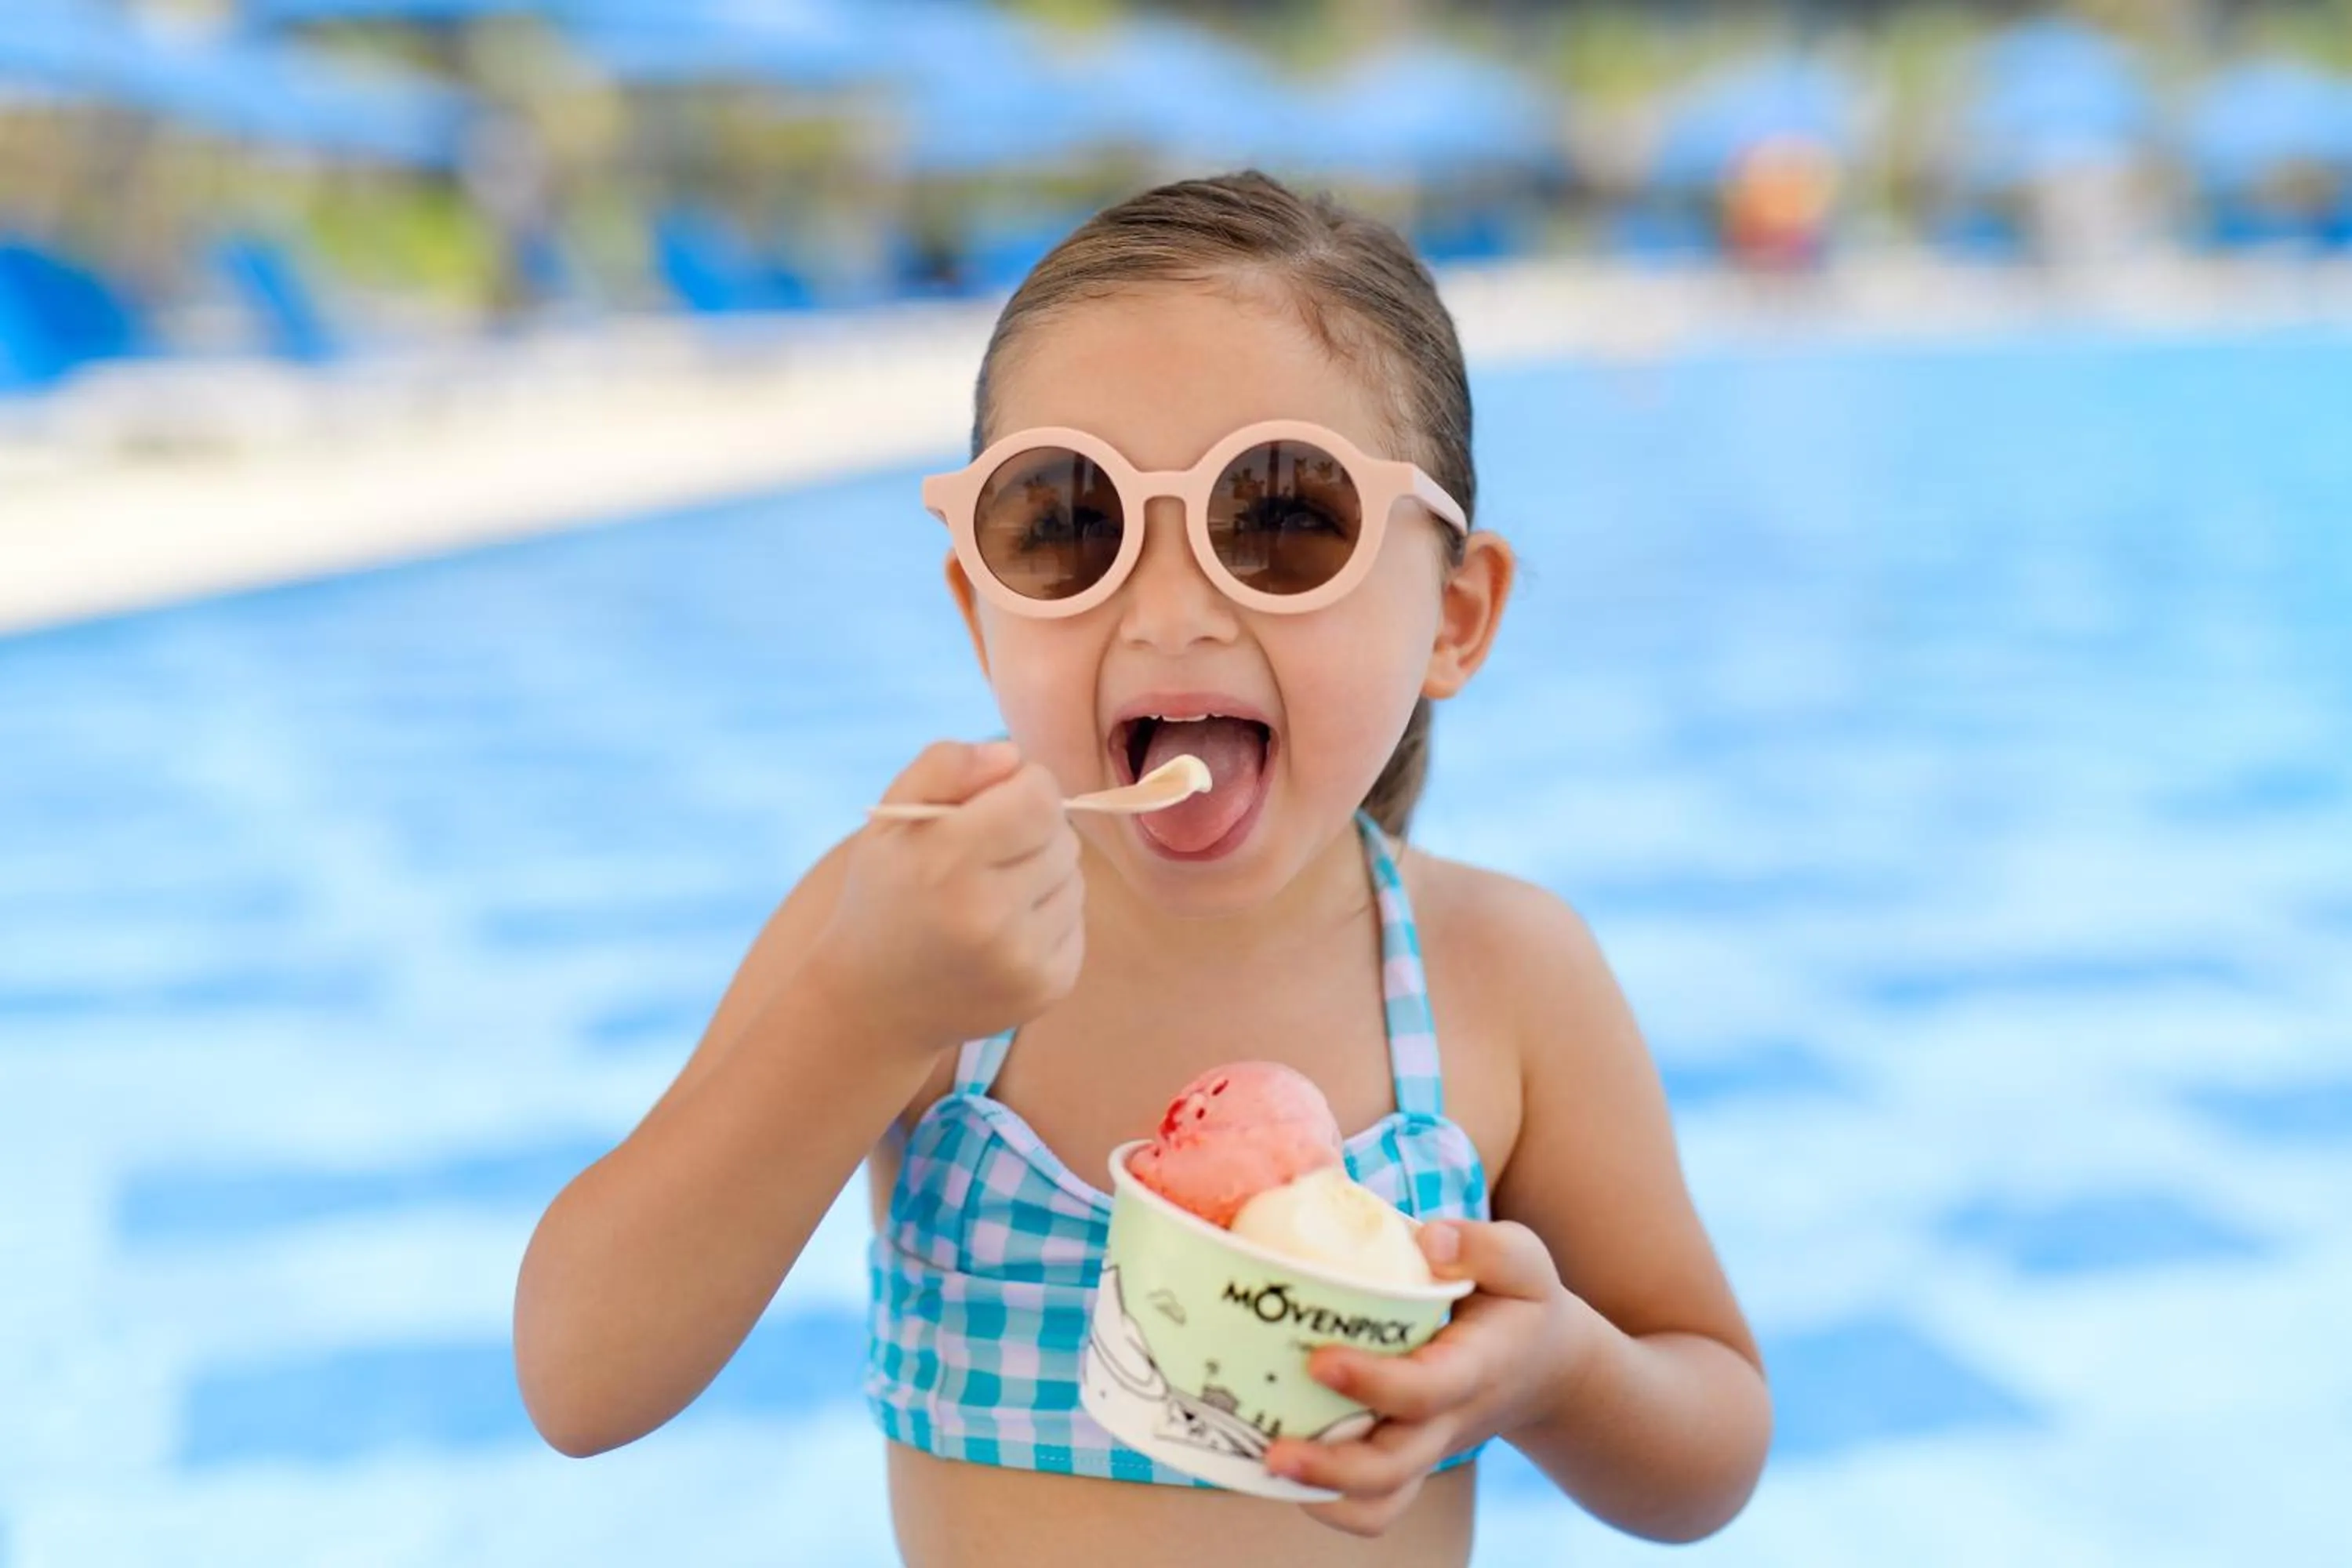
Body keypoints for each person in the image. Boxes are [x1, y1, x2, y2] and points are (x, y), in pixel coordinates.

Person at [514, 170, 1771, 1566]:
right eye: (1066, 525)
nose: (1171, 611)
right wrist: (868, 1008)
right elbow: (581, 1381)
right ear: (978, 613)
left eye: (1286, 519)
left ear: (1453, 617)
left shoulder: (1504, 975)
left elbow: (1711, 1445)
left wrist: (1561, 1374)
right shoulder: (908, 928)